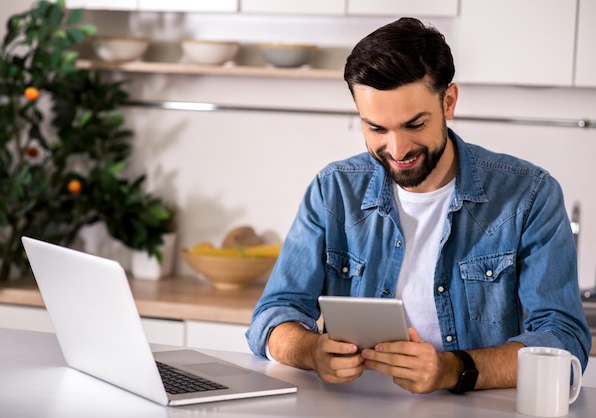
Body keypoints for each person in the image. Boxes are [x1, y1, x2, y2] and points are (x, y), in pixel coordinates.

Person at [245, 17, 592, 394]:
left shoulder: (529, 195)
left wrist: (452, 370)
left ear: (449, 101)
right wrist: (311, 350)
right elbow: (271, 317)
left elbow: (564, 339)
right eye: (376, 128)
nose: (397, 150)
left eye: (414, 124)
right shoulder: (334, 190)